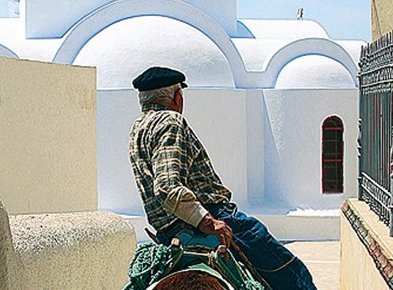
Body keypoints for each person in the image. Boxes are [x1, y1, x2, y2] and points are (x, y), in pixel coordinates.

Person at [128, 66, 317, 290]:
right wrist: (208, 222)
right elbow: (167, 187)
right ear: (177, 97)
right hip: (210, 217)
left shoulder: (138, 128)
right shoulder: (170, 121)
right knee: (293, 274)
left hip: (167, 231)